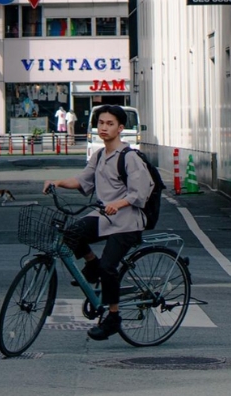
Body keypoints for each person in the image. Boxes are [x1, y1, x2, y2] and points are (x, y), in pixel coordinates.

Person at [43, 105, 153, 341]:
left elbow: (140, 193)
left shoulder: (129, 157)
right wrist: (58, 182)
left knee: (108, 268)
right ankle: (91, 265)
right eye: (101, 123)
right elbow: (83, 180)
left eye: (110, 123)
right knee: (71, 233)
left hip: (128, 222)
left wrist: (119, 204)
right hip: (104, 217)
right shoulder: (99, 155)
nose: (103, 127)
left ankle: (113, 317)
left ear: (120, 128)